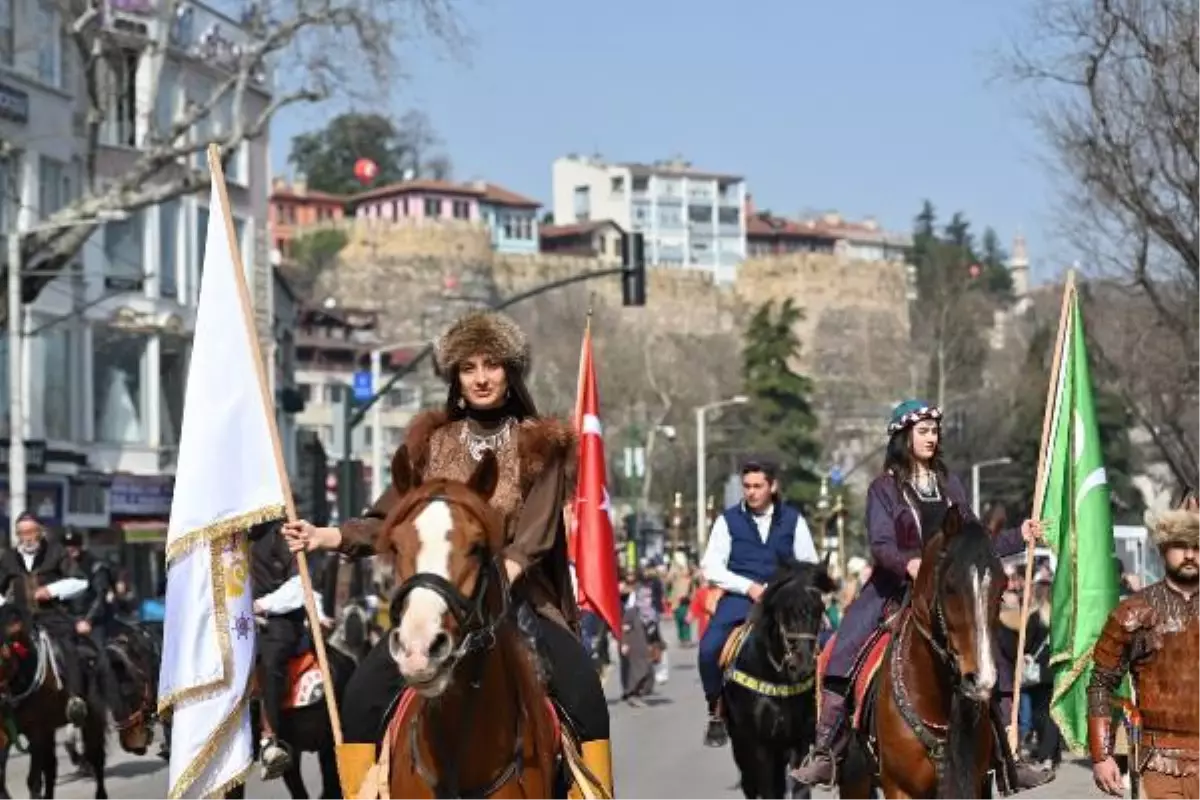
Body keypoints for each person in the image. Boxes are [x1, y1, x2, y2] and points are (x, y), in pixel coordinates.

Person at [282, 310, 613, 796]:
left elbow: (535, 537)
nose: (481, 377)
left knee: (584, 690)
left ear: (510, 373)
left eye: (492, 365)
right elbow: (390, 521)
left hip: (518, 600)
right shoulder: (430, 444)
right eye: (468, 367)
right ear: (455, 377)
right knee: (361, 695)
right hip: (437, 601)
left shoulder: (541, 443)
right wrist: (326, 536)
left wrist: (502, 575)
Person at [793, 400, 1045, 787]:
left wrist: (1018, 536)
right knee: (843, 648)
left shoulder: (951, 484)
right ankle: (827, 747)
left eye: (935, 431)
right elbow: (880, 543)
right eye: (924, 431)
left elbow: (974, 541)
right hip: (892, 588)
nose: (932, 437)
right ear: (903, 437)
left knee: (993, 657)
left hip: (947, 592)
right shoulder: (883, 488)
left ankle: (1010, 756)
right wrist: (907, 563)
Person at [696, 457, 819, 747]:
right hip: (741, 598)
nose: (751, 492)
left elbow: (809, 563)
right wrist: (747, 586)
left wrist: (788, 588)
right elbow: (710, 566)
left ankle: (823, 716)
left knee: (825, 643)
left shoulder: (793, 519)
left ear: (772, 486)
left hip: (786, 601)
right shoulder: (728, 521)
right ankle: (716, 711)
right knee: (708, 649)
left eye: (758, 486)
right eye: (747, 486)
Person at [1088, 491, 1200, 798]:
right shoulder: (1134, 610)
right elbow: (1100, 682)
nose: (1190, 554)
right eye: (1180, 545)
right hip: (1158, 761)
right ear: (1163, 548)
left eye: (1197, 546)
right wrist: (1101, 754)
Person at [248, 518, 325, 778]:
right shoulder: (228, 539)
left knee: (268, 659)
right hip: (237, 622)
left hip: (278, 622)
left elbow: (299, 585)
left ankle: (270, 739)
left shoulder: (280, 532)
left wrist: (261, 606)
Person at [0, 514, 90, 723]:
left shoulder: (56, 552)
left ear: (40, 532)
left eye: (31, 532)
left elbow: (81, 581)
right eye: (22, 533)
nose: (27, 538)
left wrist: (52, 590)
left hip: (52, 617)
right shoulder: (8, 558)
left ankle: (75, 700)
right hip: (18, 621)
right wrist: (5, 605)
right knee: (6, 652)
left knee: (68, 646)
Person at [61, 529, 120, 712]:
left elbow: (100, 596)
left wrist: (88, 621)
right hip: (69, 621)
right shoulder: (62, 568)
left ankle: (113, 704)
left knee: (101, 660)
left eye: (75, 545)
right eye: (68, 546)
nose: (72, 549)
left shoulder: (96, 565)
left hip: (94, 621)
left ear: (81, 545)